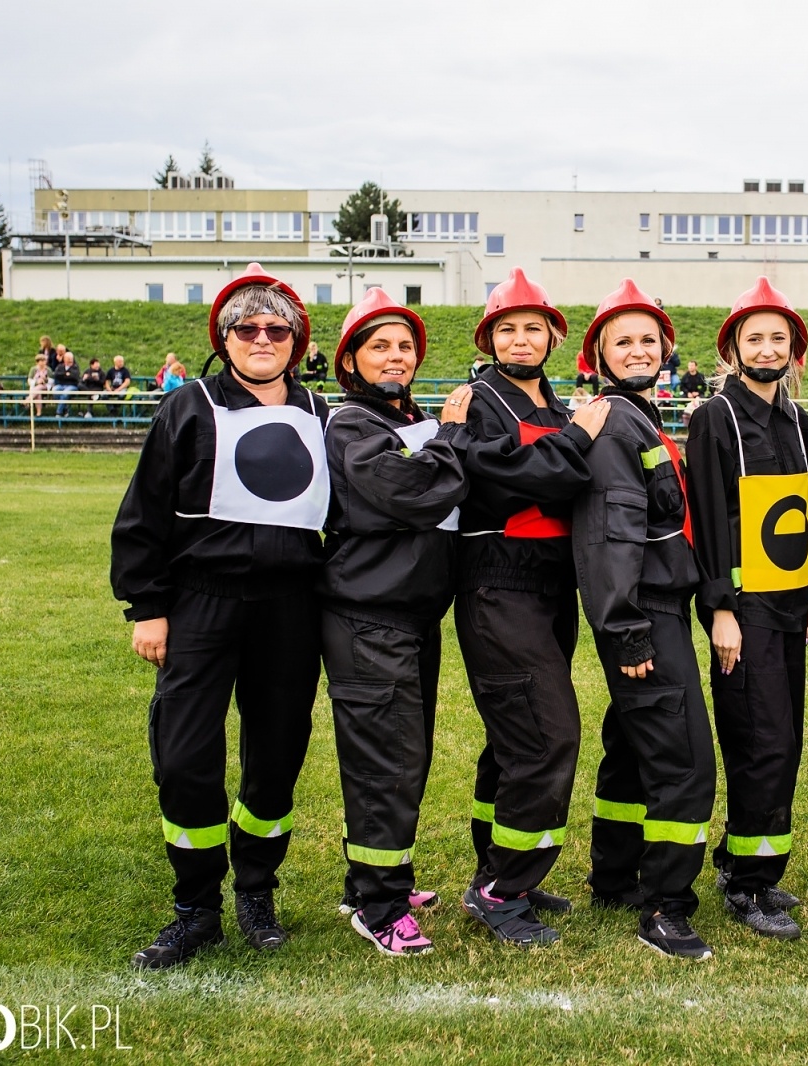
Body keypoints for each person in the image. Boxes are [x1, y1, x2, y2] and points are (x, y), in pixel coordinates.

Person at [111, 262, 331, 970]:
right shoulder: (187, 406)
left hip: (291, 608)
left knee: (275, 759)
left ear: (296, 340)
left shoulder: (323, 414)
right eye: (248, 327)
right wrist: (148, 607)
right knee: (184, 759)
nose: (262, 337)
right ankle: (195, 907)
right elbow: (143, 514)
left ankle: (256, 892)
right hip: (201, 601)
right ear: (225, 337)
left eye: (277, 328)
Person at [454, 267, 608, 948]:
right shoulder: (479, 400)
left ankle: (495, 867)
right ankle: (503, 889)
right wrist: (572, 446)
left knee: (511, 740)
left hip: (551, 589)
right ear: (491, 337)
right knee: (549, 737)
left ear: (552, 335)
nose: (521, 338)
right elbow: (506, 481)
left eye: (533, 327)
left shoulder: (551, 403)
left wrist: (555, 457)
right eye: (508, 328)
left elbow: (564, 481)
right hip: (497, 586)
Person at [320, 287, 472, 957]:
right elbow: (413, 493)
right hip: (368, 618)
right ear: (350, 359)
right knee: (386, 762)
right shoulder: (353, 422)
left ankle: (377, 879)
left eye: (405, 345)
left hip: (411, 616)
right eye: (379, 345)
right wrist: (454, 436)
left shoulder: (399, 418)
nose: (396, 356)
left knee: (405, 757)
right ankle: (377, 907)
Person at [575, 278, 718, 960]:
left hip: (656, 609)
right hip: (646, 614)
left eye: (647, 339)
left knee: (634, 751)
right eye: (621, 340)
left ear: (666, 348)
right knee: (685, 761)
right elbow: (612, 534)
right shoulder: (615, 423)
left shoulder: (639, 416)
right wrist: (627, 628)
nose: (638, 349)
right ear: (599, 355)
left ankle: (614, 875)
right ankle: (666, 906)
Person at [686, 276, 808, 941]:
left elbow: (805, 514)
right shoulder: (716, 417)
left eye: (778, 337)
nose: (767, 348)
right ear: (733, 348)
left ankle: (747, 857)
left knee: (783, 739)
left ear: (793, 348)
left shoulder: (800, 419)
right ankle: (748, 886)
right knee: (760, 741)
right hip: (743, 607)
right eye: (754, 337)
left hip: (789, 605)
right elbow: (707, 516)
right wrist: (720, 608)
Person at [52, 349, 81, 417]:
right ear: (64, 359)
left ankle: (58, 412)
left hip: (72, 386)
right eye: (68, 358)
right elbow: (56, 375)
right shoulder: (60, 366)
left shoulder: (75, 367)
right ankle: (65, 409)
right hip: (61, 385)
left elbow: (75, 376)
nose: (70, 360)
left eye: (71, 358)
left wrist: (64, 375)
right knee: (55, 390)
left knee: (65, 393)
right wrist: (66, 374)